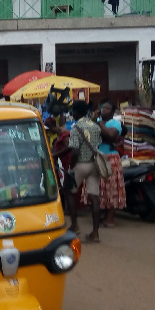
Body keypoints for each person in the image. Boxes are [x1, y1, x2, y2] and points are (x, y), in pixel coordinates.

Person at [64, 100, 102, 243]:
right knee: (94, 197)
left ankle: (74, 225)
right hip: (94, 165)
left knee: (69, 191)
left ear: (76, 112)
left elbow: (74, 152)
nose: (71, 114)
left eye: (72, 111)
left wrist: (71, 168)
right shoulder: (95, 126)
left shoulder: (76, 128)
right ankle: (95, 233)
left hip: (80, 164)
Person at [85, 98, 126, 227]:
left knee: (112, 189)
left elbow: (111, 135)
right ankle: (100, 215)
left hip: (110, 158)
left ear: (113, 112)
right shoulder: (95, 122)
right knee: (98, 188)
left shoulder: (115, 123)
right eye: (103, 108)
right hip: (97, 157)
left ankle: (110, 218)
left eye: (107, 108)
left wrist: (100, 124)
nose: (103, 110)